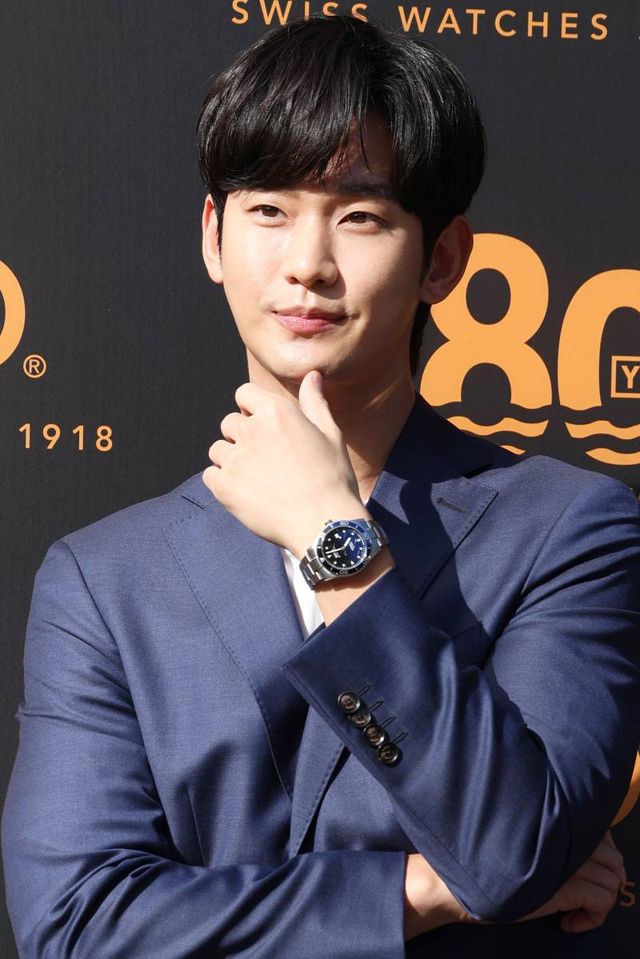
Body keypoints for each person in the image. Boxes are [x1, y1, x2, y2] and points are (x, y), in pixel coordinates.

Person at [3, 14, 640, 958]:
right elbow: (77, 924)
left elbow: (512, 848)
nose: (307, 263)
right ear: (214, 236)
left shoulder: (569, 530)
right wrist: (416, 889)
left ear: (443, 260)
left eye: (360, 216)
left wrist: (333, 537)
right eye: (269, 209)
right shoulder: (103, 580)